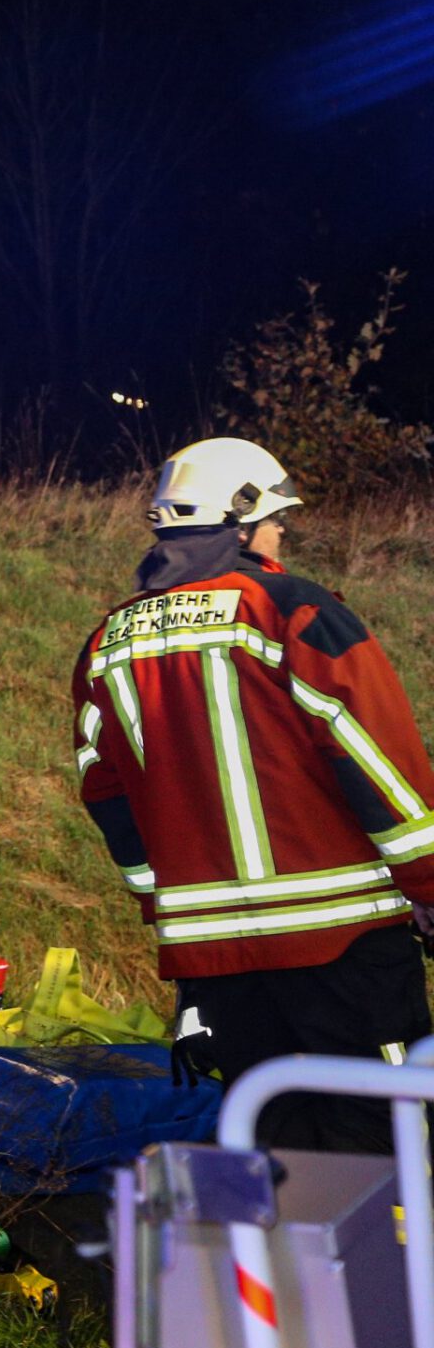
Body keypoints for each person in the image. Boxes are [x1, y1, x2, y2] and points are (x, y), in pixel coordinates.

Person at [74, 437, 434, 1154]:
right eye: (276, 521)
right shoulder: (291, 611)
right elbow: (373, 754)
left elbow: (107, 794)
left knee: (272, 1144)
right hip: (343, 940)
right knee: (388, 1136)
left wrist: (164, 906)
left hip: (214, 961)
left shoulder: (108, 642)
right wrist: (427, 883)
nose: (281, 536)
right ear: (241, 524)